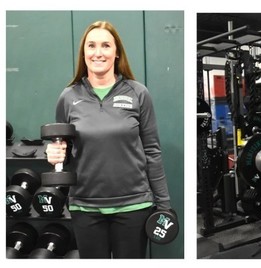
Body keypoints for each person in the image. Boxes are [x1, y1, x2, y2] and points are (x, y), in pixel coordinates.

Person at [45, 21, 172, 259]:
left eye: (105, 45)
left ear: (117, 53)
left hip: (134, 205)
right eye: (91, 45)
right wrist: (51, 154)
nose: (98, 52)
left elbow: (152, 151)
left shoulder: (137, 93)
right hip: (85, 206)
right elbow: (61, 146)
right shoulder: (68, 96)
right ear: (84, 53)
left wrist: (163, 205)